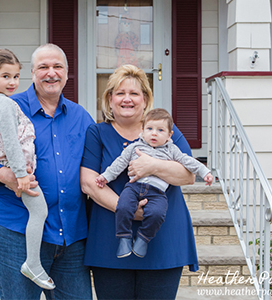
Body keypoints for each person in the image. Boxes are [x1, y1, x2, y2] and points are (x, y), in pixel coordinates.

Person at [0, 43, 95, 299]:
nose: (51, 73)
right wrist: (2, 175)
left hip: (70, 236)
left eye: (58, 67)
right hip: (16, 233)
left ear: (67, 72)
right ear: (33, 73)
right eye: (43, 67)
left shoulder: (81, 116)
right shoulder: (8, 106)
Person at [80, 64, 199, 300]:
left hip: (162, 238)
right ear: (110, 99)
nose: (127, 99)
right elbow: (89, 183)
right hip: (110, 239)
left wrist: (153, 166)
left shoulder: (165, 131)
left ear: (145, 100)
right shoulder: (97, 133)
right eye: (120, 93)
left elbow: (188, 175)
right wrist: (128, 209)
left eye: (134, 93)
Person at [0, 49, 53, 289]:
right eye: (5, 76)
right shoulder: (5, 104)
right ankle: (33, 263)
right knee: (39, 212)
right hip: (17, 168)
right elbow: (10, 139)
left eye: (16, 77)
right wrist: (20, 175)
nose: (13, 82)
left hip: (3, 162)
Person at [95, 108, 213, 258]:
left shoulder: (172, 150)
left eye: (160, 130)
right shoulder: (134, 147)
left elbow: (188, 162)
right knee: (123, 206)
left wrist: (205, 172)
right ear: (142, 130)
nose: (154, 133)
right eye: (150, 129)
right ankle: (124, 238)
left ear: (170, 134)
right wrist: (105, 177)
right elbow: (119, 164)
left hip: (157, 192)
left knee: (157, 214)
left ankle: (143, 238)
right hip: (133, 187)